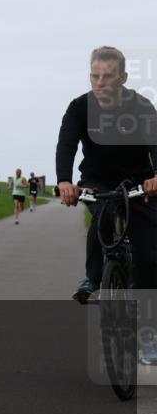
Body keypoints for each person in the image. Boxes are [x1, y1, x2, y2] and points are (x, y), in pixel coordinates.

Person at [56, 46, 157, 364]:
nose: (100, 82)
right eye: (95, 76)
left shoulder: (141, 108)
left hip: (139, 184)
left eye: (108, 77)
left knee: (148, 254)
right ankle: (94, 278)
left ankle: (148, 337)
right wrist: (64, 180)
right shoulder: (79, 108)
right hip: (97, 181)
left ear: (123, 77)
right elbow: (67, 144)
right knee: (102, 217)